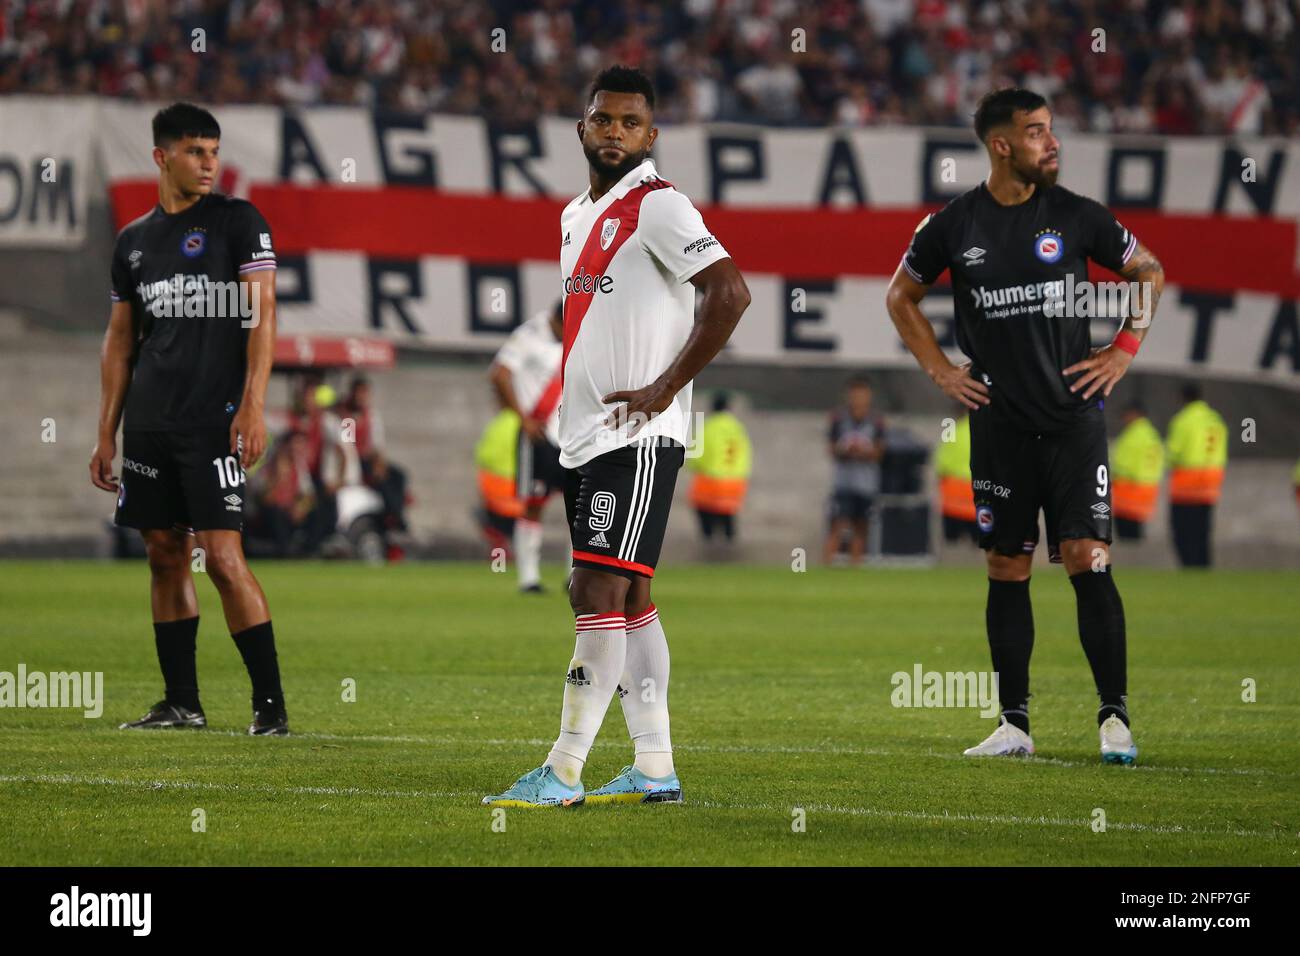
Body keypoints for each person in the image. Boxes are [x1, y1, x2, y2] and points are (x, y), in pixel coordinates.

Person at [482, 65, 750, 808]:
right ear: (583, 127)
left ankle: (563, 771)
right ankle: (655, 766)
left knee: (594, 586)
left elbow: (729, 294)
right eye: (604, 120)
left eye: (631, 123)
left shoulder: (659, 206)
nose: (616, 133)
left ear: (651, 135)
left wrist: (664, 390)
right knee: (626, 595)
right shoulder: (575, 216)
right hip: (588, 436)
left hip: (637, 433)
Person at [885, 88, 1165, 764]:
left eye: (1051, 130)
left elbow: (1148, 272)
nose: (1053, 142)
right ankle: (1014, 725)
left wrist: (1123, 351)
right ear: (1002, 144)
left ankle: (1114, 719)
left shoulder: (1075, 216)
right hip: (1000, 427)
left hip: (1073, 422)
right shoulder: (954, 226)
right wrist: (941, 372)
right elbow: (902, 296)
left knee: (1085, 559)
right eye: (1038, 132)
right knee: (1006, 566)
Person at [89, 102, 289, 735]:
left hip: (214, 420)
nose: (209, 163)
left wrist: (254, 404)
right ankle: (182, 703)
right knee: (163, 554)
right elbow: (120, 341)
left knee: (223, 557)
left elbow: (262, 319)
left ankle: (270, 709)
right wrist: (106, 431)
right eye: (195, 151)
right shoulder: (134, 241)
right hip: (149, 423)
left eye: (213, 151)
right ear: (161, 156)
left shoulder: (238, 222)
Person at [488, 301, 565, 593]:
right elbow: (499, 374)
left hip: (572, 435)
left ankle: (576, 578)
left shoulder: (580, 334)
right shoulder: (530, 334)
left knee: (581, 509)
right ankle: (529, 578)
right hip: (538, 436)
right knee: (534, 505)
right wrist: (523, 418)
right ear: (556, 319)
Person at [823, 377, 886, 565]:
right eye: (855, 394)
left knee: (861, 526)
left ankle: (855, 565)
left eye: (862, 394)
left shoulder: (876, 420)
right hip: (843, 482)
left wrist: (865, 452)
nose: (858, 398)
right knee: (838, 524)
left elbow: (880, 452)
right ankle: (827, 564)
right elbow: (831, 448)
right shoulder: (838, 418)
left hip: (866, 483)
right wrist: (845, 450)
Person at [1166, 384, 1228, 567]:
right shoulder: (1216, 419)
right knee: (1203, 529)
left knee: (1183, 529)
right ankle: (1204, 565)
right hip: (1211, 481)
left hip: (1187, 482)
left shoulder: (1183, 420)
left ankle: (1189, 565)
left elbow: (1174, 452)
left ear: (1182, 398)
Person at [686, 392, 752, 542]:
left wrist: (693, 466)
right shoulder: (737, 427)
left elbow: (697, 454)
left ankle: (708, 555)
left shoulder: (709, 426)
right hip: (735, 482)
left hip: (710, 480)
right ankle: (730, 553)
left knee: (706, 520)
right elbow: (746, 452)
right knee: (728, 518)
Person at [1111, 401, 1164, 540]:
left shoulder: (1134, 434)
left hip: (1129, 490)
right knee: (1135, 532)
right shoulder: (1151, 433)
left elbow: (1122, 463)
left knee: (1128, 534)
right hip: (1146, 489)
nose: (1124, 418)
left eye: (1126, 414)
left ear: (1135, 414)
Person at [935, 409, 978, 544]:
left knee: (952, 541)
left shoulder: (952, 428)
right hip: (977, 490)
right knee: (978, 541)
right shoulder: (986, 428)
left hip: (953, 492)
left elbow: (942, 461)